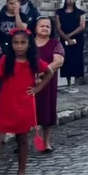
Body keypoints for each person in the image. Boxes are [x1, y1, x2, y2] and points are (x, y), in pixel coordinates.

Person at [0, 27, 52, 175]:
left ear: (29, 44)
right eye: (16, 43)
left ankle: (21, 172)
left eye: (23, 42)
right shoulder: (5, 60)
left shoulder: (33, 61)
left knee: (22, 138)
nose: (19, 46)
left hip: (24, 104)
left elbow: (49, 72)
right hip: (5, 104)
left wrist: (38, 88)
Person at [33, 17, 65, 152]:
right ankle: (23, 143)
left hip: (48, 81)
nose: (44, 28)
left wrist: (41, 73)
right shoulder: (28, 43)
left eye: (47, 26)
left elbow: (58, 62)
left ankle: (46, 143)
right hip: (28, 80)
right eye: (42, 26)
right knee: (27, 111)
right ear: (35, 27)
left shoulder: (55, 44)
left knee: (47, 111)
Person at [55, 0, 85, 90]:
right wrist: (65, 36)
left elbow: (82, 26)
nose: (71, 0)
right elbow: (58, 27)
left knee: (76, 59)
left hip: (77, 39)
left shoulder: (80, 12)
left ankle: (75, 83)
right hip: (64, 38)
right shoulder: (59, 12)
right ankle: (68, 83)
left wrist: (70, 35)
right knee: (66, 59)